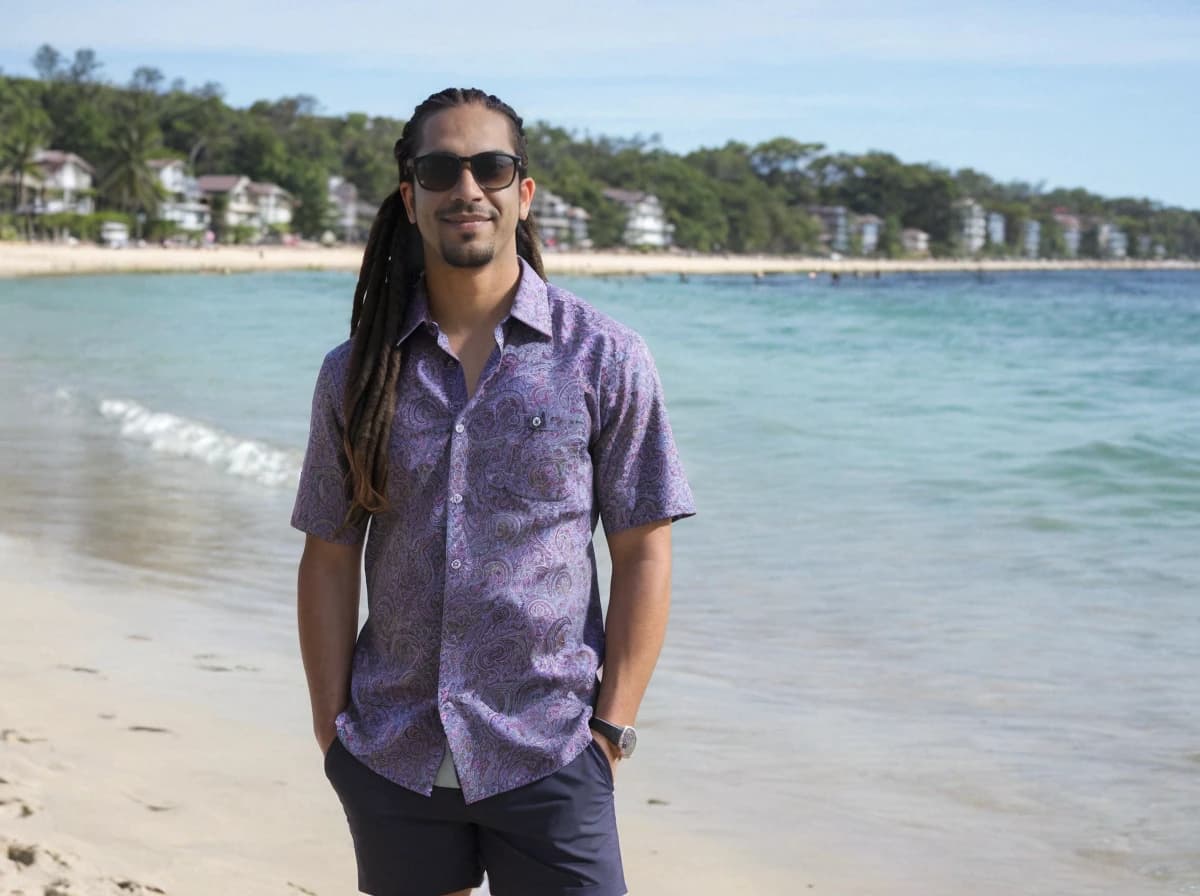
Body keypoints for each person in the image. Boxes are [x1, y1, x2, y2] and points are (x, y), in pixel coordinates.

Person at [292, 87, 695, 896]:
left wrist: (610, 730)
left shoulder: (604, 358)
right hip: (392, 754)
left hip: (552, 749)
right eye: (440, 169)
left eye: (491, 167)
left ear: (524, 192)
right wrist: (334, 734)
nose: (466, 188)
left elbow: (644, 548)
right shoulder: (357, 372)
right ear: (411, 197)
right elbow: (330, 555)